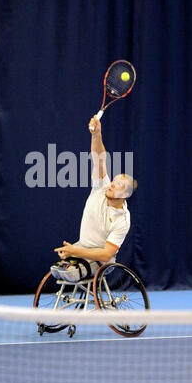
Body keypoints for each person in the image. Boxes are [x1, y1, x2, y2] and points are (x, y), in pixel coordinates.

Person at [51, 115, 137, 282]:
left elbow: (106, 253)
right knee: (56, 270)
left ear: (125, 194)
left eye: (118, 184)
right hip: (80, 247)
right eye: (113, 181)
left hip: (100, 260)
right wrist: (96, 134)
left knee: (71, 273)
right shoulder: (101, 187)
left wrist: (74, 252)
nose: (111, 185)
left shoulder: (123, 220)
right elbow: (99, 157)